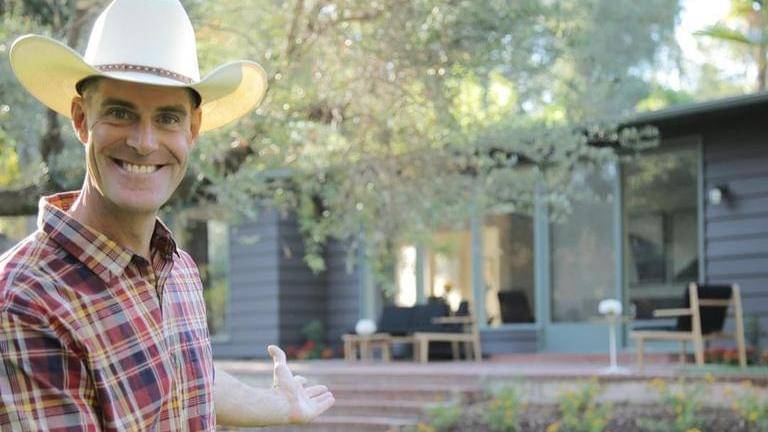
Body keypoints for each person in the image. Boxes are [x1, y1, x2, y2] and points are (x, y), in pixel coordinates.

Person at [0, 0, 334, 430]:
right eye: (120, 113)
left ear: (192, 130)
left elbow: (185, 379)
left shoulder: (178, 271)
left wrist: (278, 406)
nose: (144, 142)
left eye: (167, 118)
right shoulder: (25, 300)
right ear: (82, 120)